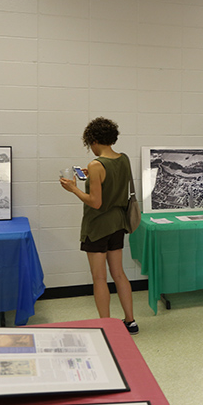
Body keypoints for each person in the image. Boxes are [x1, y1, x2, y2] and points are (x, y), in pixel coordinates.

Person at [60, 117, 138, 335]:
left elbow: (95, 202)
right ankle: (130, 321)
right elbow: (112, 180)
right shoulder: (123, 159)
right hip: (117, 224)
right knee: (119, 273)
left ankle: (106, 325)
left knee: (99, 278)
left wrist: (73, 188)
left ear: (93, 140)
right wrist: (92, 173)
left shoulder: (96, 165)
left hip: (97, 227)